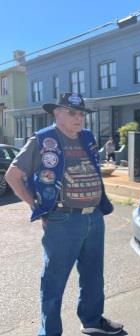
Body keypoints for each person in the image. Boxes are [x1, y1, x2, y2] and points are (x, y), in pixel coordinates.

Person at [5, 93, 123, 336]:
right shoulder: (42, 140)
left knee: (93, 275)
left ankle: (91, 320)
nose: (78, 118)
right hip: (63, 220)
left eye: (81, 113)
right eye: (72, 112)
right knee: (54, 281)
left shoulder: (87, 137)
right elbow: (13, 176)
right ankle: (49, 332)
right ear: (56, 113)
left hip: (94, 217)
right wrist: (36, 207)